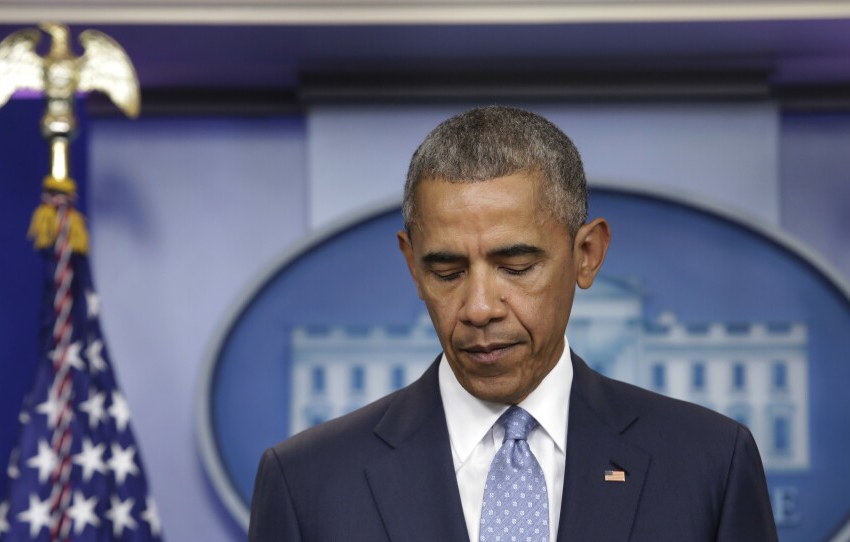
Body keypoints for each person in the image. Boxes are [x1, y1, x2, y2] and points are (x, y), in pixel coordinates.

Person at [248, 105, 778, 541]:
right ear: (412, 264)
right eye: (448, 270)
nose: (480, 307)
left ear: (587, 254)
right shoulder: (307, 483)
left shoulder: (709, 464)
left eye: (516, 268)